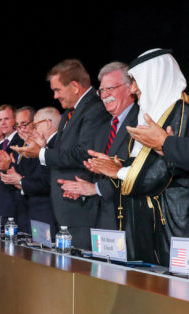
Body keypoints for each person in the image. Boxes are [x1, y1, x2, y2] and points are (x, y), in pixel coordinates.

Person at [86, 49, 189, 265]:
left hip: (174, 221)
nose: (133, 88)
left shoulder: (180, 111)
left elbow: (161, 174)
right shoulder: (153, 113)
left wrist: (120, 171)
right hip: (148, 221)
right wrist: (119, 165)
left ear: (154, 77)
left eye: (135, 81)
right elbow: (145, 164)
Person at [22, 59, 110, 249]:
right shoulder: (71, 113)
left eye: (57, 90)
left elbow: (84, 153)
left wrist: (43, 154)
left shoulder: (94, 109)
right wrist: (44, 148)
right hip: (67, 212)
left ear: (75, 86)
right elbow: (65, 153)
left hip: (80, 210)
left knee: (82, 273)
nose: (55, 96)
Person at [58, 62, 138, 235]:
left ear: (130, 87)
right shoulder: (103, 128)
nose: (104, 95)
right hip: (99, 221)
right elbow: (96, 170)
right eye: (101, 90)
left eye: (110, 88)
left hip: (130, 222)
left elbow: (140, 173)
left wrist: (96, 189)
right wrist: (83, 187)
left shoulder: (142, 123)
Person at [0, 106, 59, 237]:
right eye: (18, 126)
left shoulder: (51, 147)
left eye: (24, 124)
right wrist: (9, 168)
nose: (21, 129)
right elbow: (25, 175)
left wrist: (20, 181)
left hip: (45, 214)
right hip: (26, 213)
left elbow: (44, 181)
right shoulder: (23, 147)